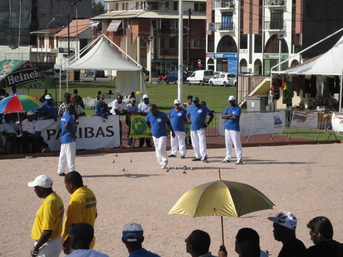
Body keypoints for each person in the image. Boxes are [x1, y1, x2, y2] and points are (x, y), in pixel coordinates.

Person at [28, 175, 64, 257]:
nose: (34, 191)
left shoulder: (49, 204)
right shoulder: (56, 198)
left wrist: (35, 248)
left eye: (35, 188)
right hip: (55, 241)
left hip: (47, 245)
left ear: (41, 189)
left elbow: (47, 231)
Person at [62, 171, 97, 254]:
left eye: (65, 184)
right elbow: (94, 214)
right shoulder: (89, 193)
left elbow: (75, 225)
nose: (65, 186)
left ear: (71, 184)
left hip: (77, 243)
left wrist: (66, 244)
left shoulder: (76, 199)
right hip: (88, 239)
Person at [146, 104, 175, 169]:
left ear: (156, 109)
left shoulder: (162, 115)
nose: (151, 112)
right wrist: (150, 129)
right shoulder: (149, 115)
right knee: (157, 149)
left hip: (162, 134)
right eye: (150, 110)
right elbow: (147, 122)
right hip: (154, 134)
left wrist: (172, 131)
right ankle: (160, 162)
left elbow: (168, 123)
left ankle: (165, 160)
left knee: (161, 148)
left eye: (152, 110)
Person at [186, 96, 214, 163]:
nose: (195, 103)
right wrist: (188, 120)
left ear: (198, 101)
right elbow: (187, 114)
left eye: (196, 101)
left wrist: (207, 124)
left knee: (202, 142)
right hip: (192, 128)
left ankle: (203, 156)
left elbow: (211, 115)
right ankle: (197, 156)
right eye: (194, 101)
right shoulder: (191, 108)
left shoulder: (203, 107)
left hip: (200, 128)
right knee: (194, 143)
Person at [221, 95, 243, 164]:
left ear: (234, 101)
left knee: (236, 143)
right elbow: (223, 116)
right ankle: (228, 157)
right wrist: (230, 115)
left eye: (231, 101)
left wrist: (227, 116)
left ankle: (239, 158)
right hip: (227, 127)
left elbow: (235, 117)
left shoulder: (238, 108)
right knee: (228, 143)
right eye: (230, 101)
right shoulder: (228, 108)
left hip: (234, 128)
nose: (230, 103)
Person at [57, 105, 76, 176]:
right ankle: (72, 171)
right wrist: (71, 133)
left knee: (63, 155)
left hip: (64, 138)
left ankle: (60, 170)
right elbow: (67, 124)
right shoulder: (69, 116)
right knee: (70, 155)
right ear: (70, 109)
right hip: (69, 138)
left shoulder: (63, 116)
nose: (74, 111)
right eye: (73, 109)